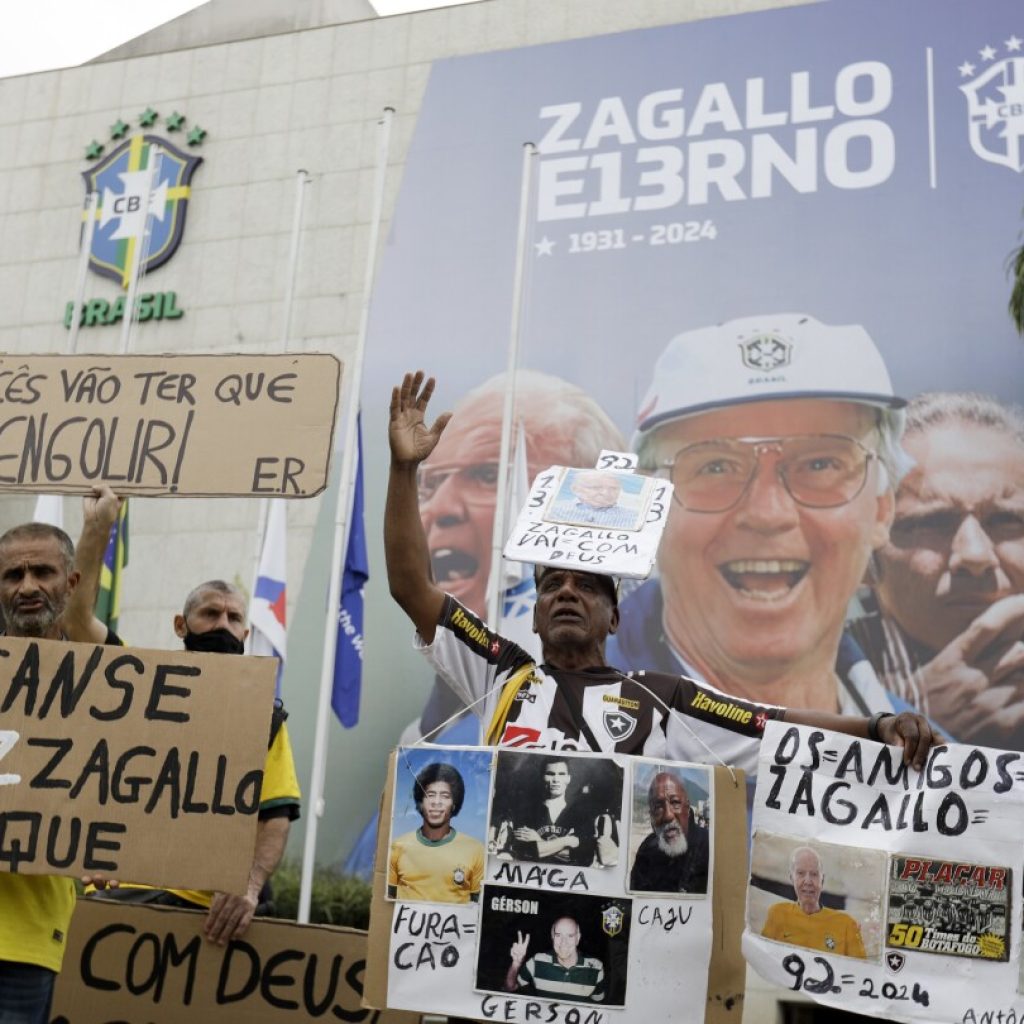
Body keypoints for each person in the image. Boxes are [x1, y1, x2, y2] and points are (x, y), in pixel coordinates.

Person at [384, 370, 937, 771]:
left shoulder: (661, 697)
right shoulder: (501, 673)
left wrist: (873, 728)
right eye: (551, 586)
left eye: (586, 586)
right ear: (535, 612)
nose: (567, 593)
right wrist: (405, 470)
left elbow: (773, 724)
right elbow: (412, 587)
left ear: (615, 616)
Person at [608, 313, 916, 720]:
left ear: (881, 510)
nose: (767, 514)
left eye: (820, 464)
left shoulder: (942, 773)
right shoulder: (549, 727)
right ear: (650, 509)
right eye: (715, 466)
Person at [64, 498, 301, 945]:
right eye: (209, 613)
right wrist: (97, 530)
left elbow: (276, 814)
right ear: (180, 624)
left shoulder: (264, 716)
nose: (222, 624)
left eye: (233, 618)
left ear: (246, 635)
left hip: (207, 915)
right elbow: (76, 622)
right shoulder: (136, 684)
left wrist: (249, 887)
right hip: (122, 894)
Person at [850, 392, 1024, 747]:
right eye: (931, 522)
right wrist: (909, 725)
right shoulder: (799, 680)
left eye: (1008, 520)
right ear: (864, 561)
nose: (975, 555)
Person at [0, 516, 99, 1022]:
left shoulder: (106, 681)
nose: (28, 587)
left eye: (42, 572)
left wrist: (99, 527)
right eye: (13, 576)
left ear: (71, 582)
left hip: (31, 941)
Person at [388, 762, 484, 903]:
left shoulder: (476, 850)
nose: (436, 802)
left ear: (454, 804)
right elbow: (387, 902)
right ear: (421, 801)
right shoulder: (398, 847)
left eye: (445, 796)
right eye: (430, 795)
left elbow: (478, 906)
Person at [761, 846, 866, 958]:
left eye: (814, 874)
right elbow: (763, 959)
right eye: (801, 873)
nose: (808, 881)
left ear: (822, 880)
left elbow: (861, 970)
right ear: (792, 878)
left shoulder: (847, 924)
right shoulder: (777, 913)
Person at [629, 771, 708, 894]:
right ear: (651, 816)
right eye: (658, 806)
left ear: (687, 807)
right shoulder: (646, 850)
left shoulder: (709, 846)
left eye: (675, 802)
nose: (668, 815)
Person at [504, 916, 606, 1003]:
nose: (563, 942)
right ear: (552, 937)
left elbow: (598, 1003)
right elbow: (510, 987)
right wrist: (516, 963)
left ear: (578, 938)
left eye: (570, 936)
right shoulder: (537, 961)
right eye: (558, 935)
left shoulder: (596, 967)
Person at [547, 470, 637, 530]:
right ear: (575, 489)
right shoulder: (553, 510)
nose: (606, 493)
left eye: (613, 488)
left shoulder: (634, 518)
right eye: (596, 487)